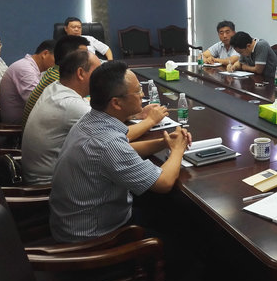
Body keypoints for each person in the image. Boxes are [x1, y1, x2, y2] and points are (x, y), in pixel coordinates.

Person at [49, 61, 191, 242]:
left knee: (165, 210)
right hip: (95, 238)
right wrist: (178, 149)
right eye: (138, 91)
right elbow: (164, 183)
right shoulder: (108, 143)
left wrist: (163, 142)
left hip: (75, 223)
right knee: (183, 234)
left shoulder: (90, 121)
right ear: (116, 103)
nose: (142, 95)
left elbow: (125, 149)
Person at [23, 50, 169, 185]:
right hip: (50, 184)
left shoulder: (56, 87)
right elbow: (118, 138)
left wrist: (137, 114)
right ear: (81, 73)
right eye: (98, 70)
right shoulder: (73, 107)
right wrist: (151, 120)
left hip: (51, 174)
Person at [21, 35, 90, 127]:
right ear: (71, 57)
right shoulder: (58, 79)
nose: (88, 58)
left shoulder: (53, 71)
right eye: (84, 54)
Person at [0, 39, 56, 124]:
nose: (59, 64)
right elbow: (38, 103)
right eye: (58, 59)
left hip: (29, 120)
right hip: (18, 124)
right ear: (45, 54)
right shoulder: (25, 69)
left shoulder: (34, 68)